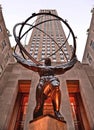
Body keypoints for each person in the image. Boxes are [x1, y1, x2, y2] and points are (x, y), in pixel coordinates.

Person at [13, 53, 77, 120]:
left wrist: (73, 60)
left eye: (48, 60)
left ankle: (57, 112)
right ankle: (38, 109)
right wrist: (18, 58)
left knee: (56, 86)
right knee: (39, 102)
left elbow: (65, 67)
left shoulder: (54, 68)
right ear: (44, 62)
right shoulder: (40, 67)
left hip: (52, 79)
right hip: (42, 81)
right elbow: (28, 64)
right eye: (46, 60)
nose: (47, 61)